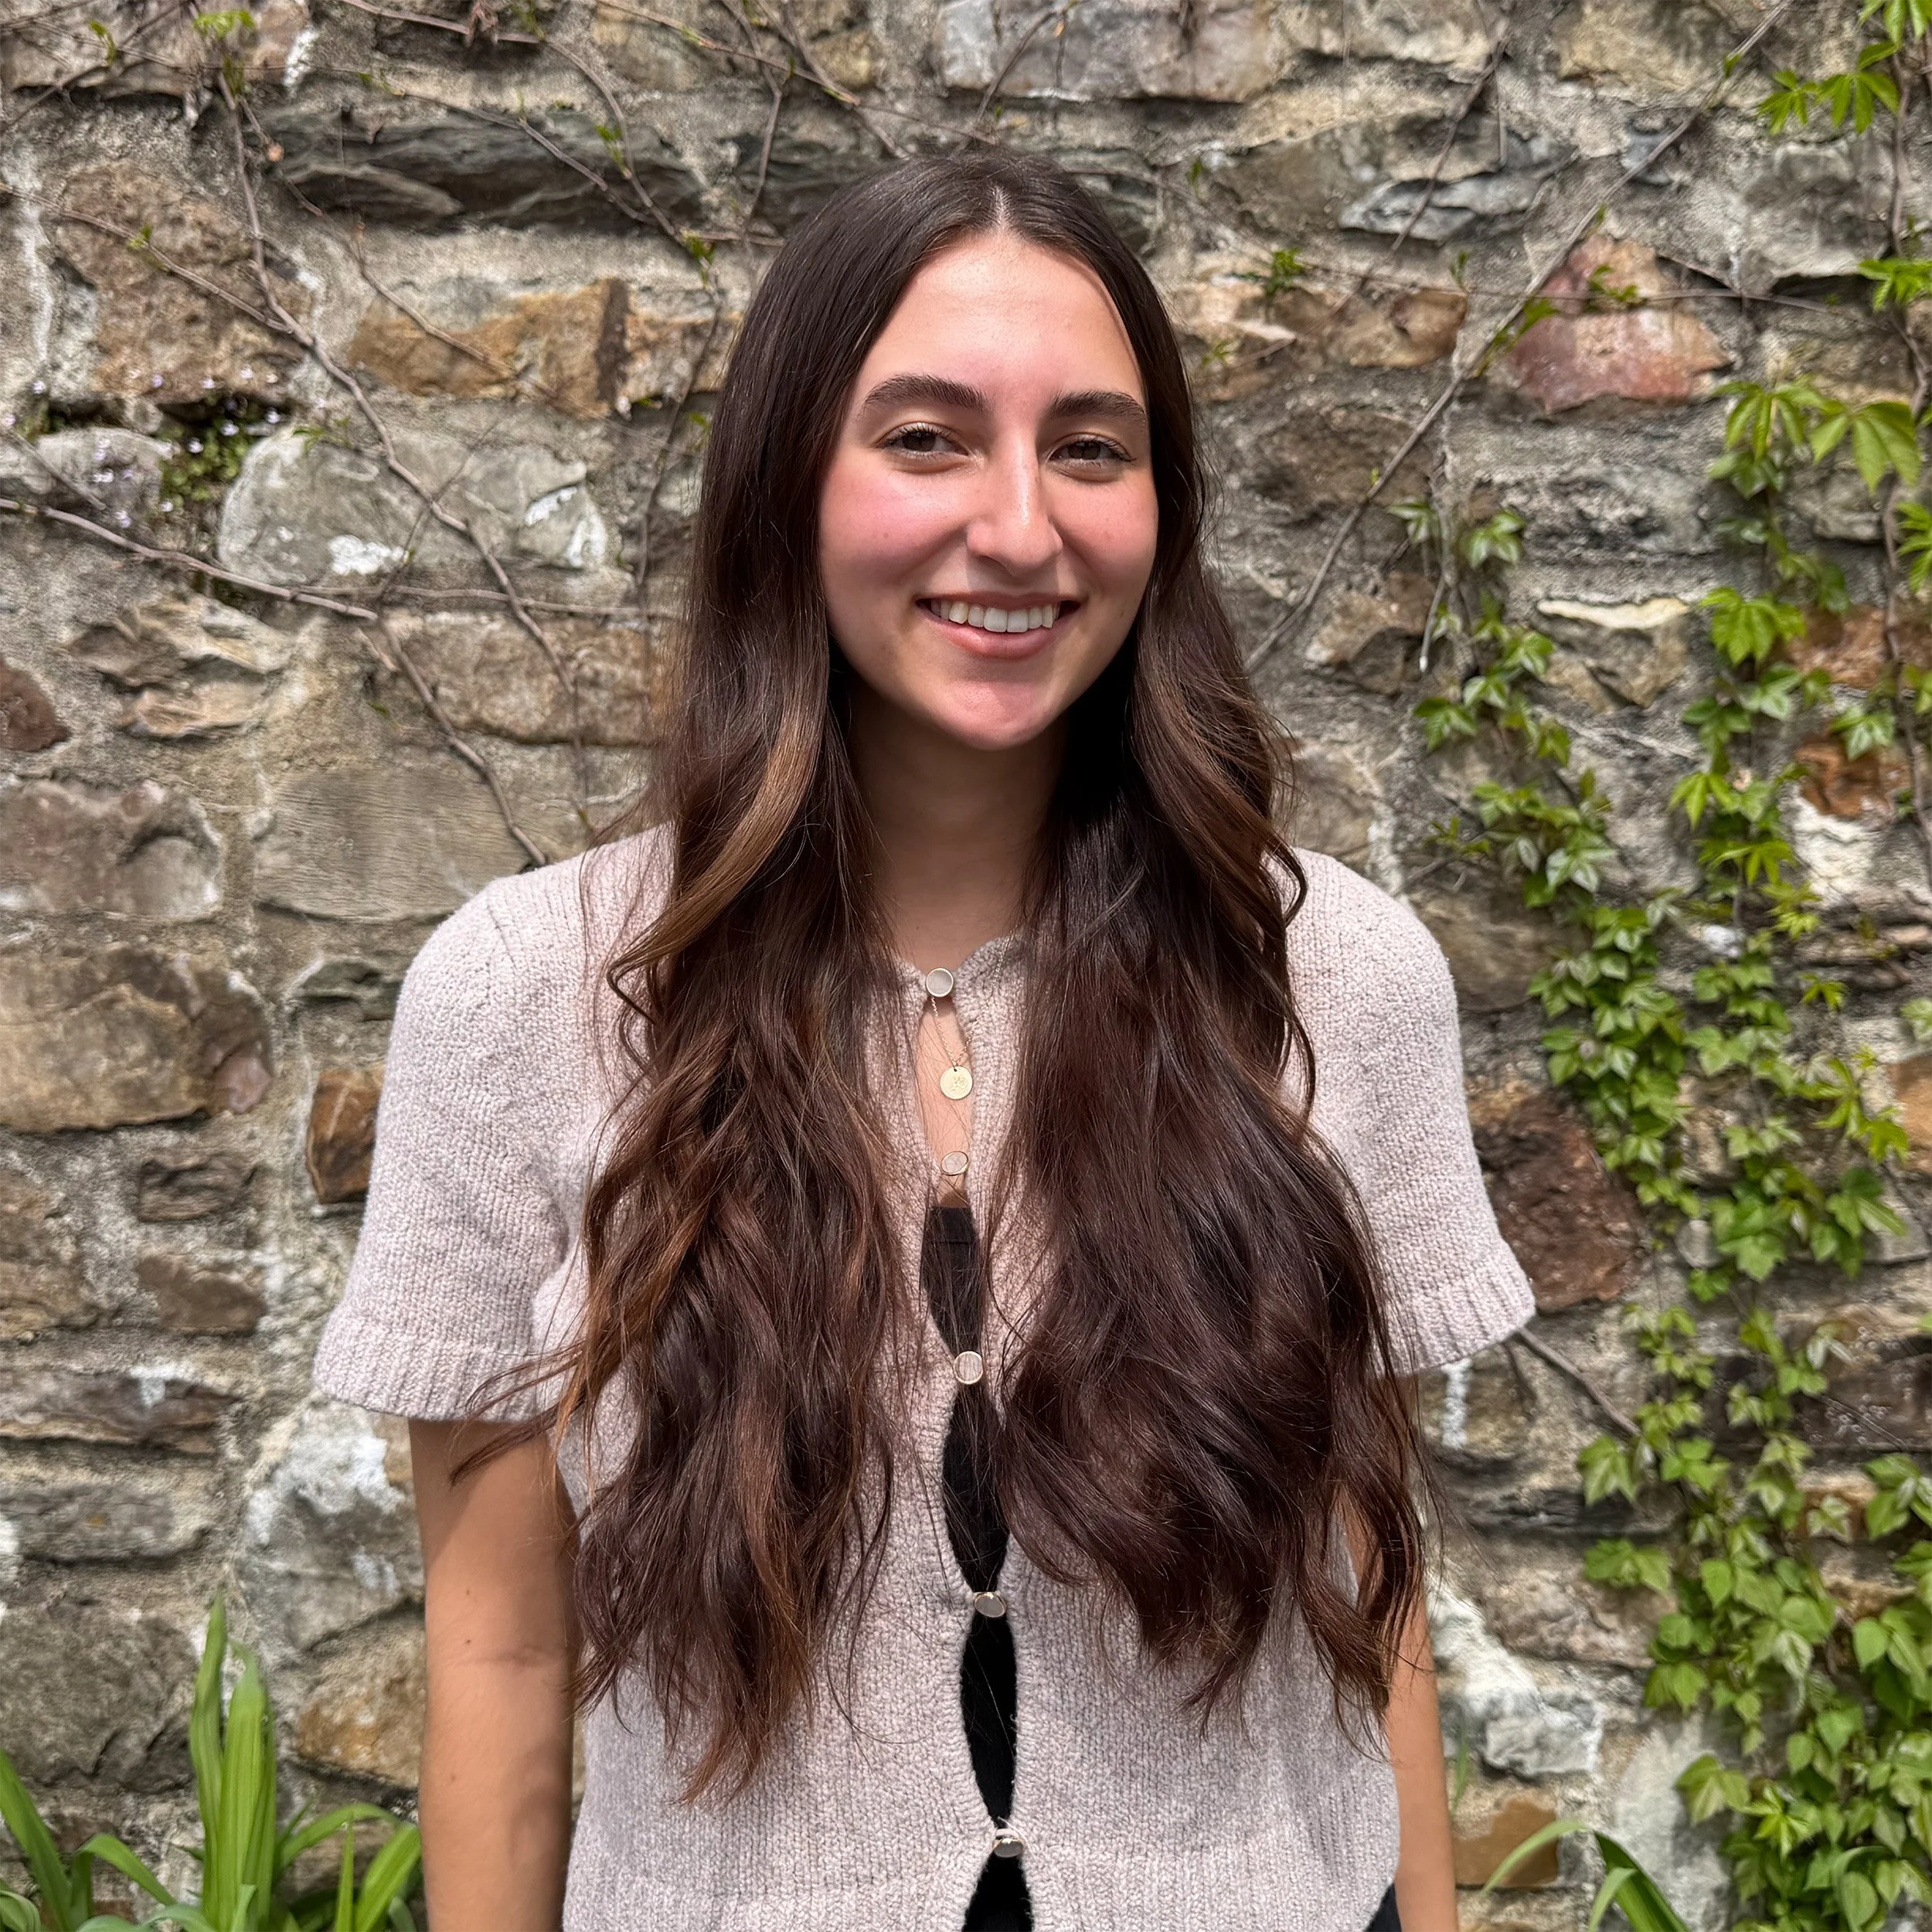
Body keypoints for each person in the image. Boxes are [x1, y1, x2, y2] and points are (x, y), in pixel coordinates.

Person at [314, 148, 1534, 1932]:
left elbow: (1368, 1599)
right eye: (926, 437)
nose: (1021, 525)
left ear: (1162, 507)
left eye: (1090, 448)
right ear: (785, 482)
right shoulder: (525, 998)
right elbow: (499, 1646)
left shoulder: (1330, 977)